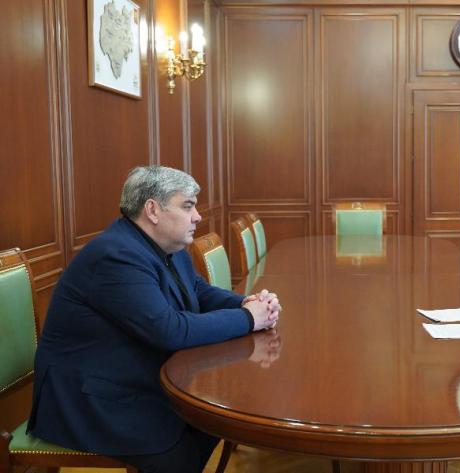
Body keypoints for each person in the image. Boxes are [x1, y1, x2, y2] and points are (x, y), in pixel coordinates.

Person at [27, 166, 281, 473]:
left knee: (213, 419)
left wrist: (246, 303)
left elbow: (198, 290)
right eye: (187, 206)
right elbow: (168, 330)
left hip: (135, 374)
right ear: (152, 210)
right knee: (180, 447)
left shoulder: (166, 246)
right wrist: (247, 318)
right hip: (88, 397)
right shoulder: (115, 256)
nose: (197, 216)